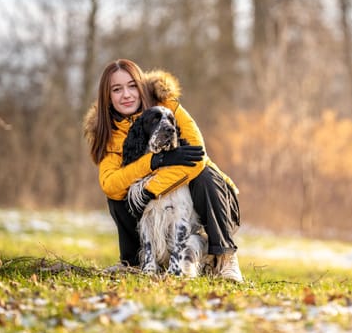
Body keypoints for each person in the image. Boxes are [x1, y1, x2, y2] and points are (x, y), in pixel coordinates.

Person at [83, 59, 243, 282]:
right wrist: (154, 163)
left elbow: (197, 156)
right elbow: (110, 184)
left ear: (141, 86)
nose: (126, 95)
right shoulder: (108, 132)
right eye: (117, 89)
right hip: (153, 203)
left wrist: (150, 188)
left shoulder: (167, 105)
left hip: (216, 204)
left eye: (132, 86)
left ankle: (225, 258)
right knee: (118, 194)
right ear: (107, 97)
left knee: (204, 176)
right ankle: (134, 262)